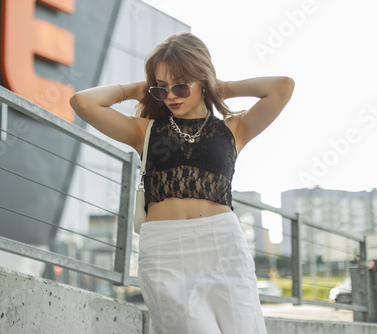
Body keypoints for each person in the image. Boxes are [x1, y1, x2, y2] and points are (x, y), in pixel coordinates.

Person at [70, 32, 294, 334]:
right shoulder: (145, 131)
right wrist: (138, 90)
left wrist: (220, 88)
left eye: (180, 85)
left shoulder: (234, 128)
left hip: (223, 246)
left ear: (202, 80)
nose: (171, 95)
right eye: (161, 88)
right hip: (164, 250)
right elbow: (82, 102)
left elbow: (282, 88)